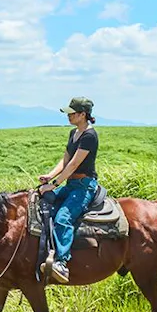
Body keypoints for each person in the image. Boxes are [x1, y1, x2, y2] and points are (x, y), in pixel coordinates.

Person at [38, 97, 100, 284]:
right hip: (70, 185)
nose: (69, 116)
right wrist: (49, 176)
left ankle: (62, 263)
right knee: (42, 202)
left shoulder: (89, 136)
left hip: (83, 187)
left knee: (64, 217)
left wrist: (54, 185)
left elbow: (73, 165)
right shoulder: (74, 132)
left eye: (72, 113)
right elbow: (65, 161)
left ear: (83, 114)